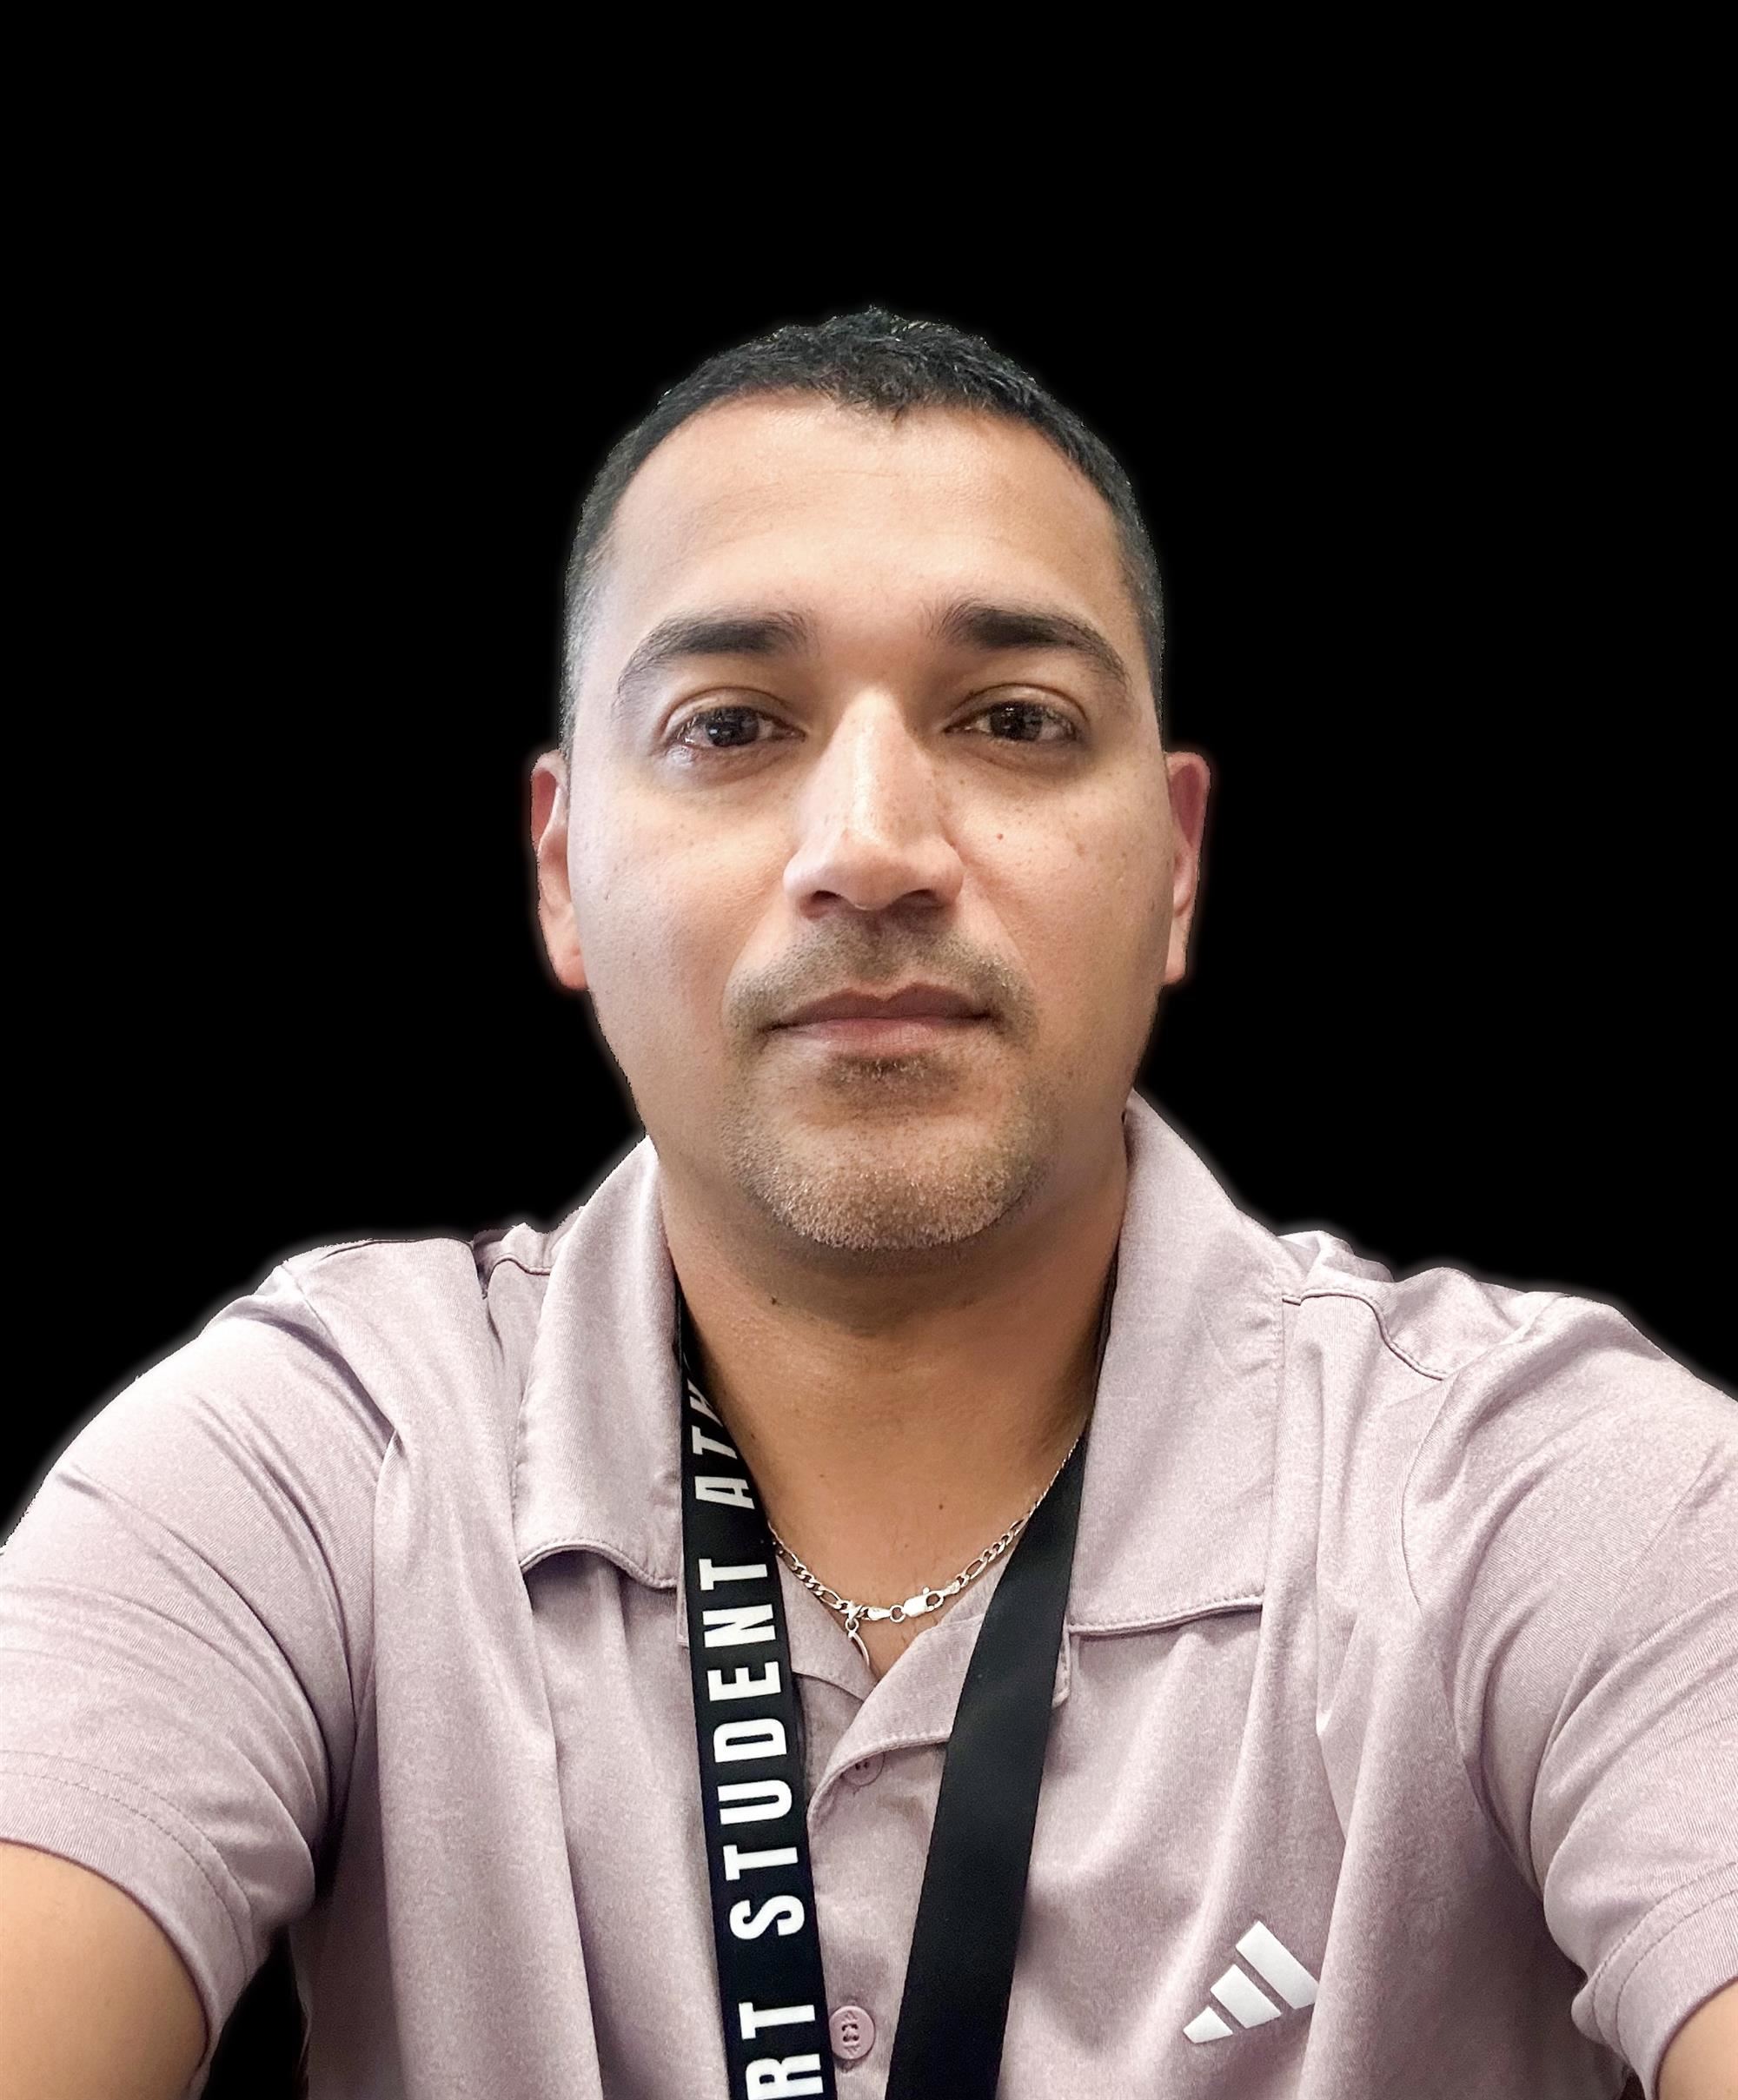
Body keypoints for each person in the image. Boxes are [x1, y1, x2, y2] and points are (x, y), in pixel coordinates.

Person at [1, 305, 1733, 2100]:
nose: (874, 849)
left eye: (1014, 720)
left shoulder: (1539, 1491)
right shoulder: (321, 1464)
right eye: (732, 725)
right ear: (563, 869)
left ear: (1176, 864)